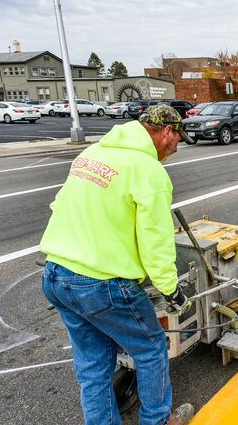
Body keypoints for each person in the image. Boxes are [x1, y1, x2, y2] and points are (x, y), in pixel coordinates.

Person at [40, 104, 196, 425]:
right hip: (102, 284)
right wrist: (171, 291)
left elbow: (60, 205)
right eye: (178, 138)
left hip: (56, 275)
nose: (177, 147)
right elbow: (156, 242)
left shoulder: (92, 154)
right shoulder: (148, 170)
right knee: (151, 348)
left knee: (94, 365)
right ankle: (158, 420)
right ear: (167, 131)